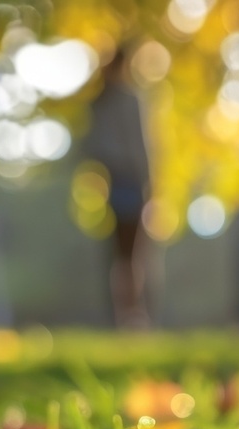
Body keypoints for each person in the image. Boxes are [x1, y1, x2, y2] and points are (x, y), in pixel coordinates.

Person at [79, 47, 155, 329]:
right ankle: (131, 315)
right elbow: (140, 146)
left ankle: (126, 314)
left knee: (122, 254)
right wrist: (149, 182)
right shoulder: (123, 99)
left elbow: (90, 148)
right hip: (129, 182)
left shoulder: (100, 103)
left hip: (113, 182)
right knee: (132, 254)